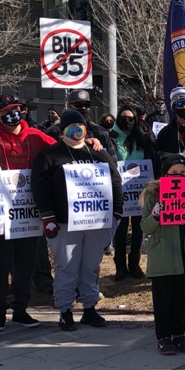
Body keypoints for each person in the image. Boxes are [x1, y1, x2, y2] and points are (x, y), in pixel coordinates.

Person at [32, 109, 123, 331]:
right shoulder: (49, 156)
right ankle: (65, 310)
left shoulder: (98, 153)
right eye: (72, 127)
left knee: (91, 267)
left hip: (97, 222)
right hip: (64, 224)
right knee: (67, 267)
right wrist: (48, 216)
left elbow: (115, 181)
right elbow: (40, 189)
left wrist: (117, 213)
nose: (77, 131)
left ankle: (90, 308)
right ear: (62, 130)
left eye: (81, 126)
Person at [0, 94, 54, 330]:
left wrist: (92, 143)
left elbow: (64, 148)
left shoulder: (36, 135)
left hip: (29, 211)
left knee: (25, 264)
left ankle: (21, 310)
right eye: (8, 110)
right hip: (1, 212)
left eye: (18, 109)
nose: (14, 114)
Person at [140, 153, 185, 355]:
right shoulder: (153, 195)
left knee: (181, 299)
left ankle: (179, 335)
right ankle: (163, 338)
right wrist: (156, 214)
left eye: (183, 173)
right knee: (163, 300)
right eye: (174, 173)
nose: (179, 177)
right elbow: (146, 227)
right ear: (164, 175)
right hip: (163, 257)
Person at [110, 104, 156, 280]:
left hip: (140, 190)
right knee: (120, 230)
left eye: (131, 119)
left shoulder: (142, 138)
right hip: (119, 191)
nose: (127, 122)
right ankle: (120, 267)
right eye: (124, 118)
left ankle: (134, 264)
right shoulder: (111, 138)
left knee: (139, 229)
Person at [47, 89, 117, 158]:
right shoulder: (54, 131)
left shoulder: (101, 132)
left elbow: (112, 159)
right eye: (79, 105)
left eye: (87, 105)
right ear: (68, 106)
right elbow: (48, 156)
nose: (83, 108)